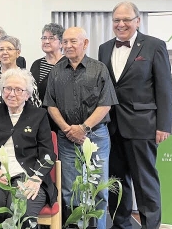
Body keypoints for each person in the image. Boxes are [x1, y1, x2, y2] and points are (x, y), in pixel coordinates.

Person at [98, 1, 172, 229]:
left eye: (126, 20)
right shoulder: (104, 48)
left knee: (145, 182)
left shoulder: (154, 46)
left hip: (143, 125)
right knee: (117, 182)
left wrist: (164, 125)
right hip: (111, 127)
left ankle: (151, 225)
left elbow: (164, 88)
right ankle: (121, 225)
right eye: (117, 20)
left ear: (137, 21)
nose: (121, 24)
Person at [45, 27, 117, 229]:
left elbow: (106, 104)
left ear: (85, 43)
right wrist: (68, 129)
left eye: (73, 41)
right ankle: (74, 226)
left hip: (97, 136)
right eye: (65, 42)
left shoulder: (99, 68)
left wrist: (83, 128)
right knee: (70, 189)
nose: (67, 45)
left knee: (99, 188)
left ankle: (100, 226)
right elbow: (51, 104)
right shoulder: (56, 71)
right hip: (66, 138)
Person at [0, 68, 56, 229]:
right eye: (8, 88)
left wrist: (36, 178)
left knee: (21, 210)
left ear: (28, 94)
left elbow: (48, 153)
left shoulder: (39, 115)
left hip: (29, 177)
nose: (12, 94)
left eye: (18, 90)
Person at [0, 35, 41, 122]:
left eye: (9, 49)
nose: (5, 52)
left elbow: (35, 106)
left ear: (18, 53)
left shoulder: (26, 77)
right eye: (1, 49)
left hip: (22, 128)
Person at [30, 23, 65, 104]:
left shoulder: (67, 63)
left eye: (51, 38)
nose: (46, 41)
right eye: (44, 38)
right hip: (38, 113)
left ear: (61, 43)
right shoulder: (36, 64)